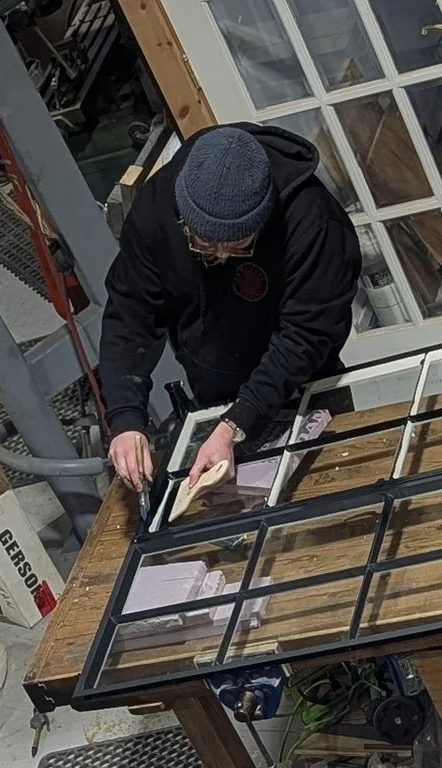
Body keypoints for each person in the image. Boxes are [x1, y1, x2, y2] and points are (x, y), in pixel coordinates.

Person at [99, 123, 361, 499]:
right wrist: (125, 417)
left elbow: (306, 335)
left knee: (334, 493)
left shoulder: (313, 220)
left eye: (238, 245)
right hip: (213, 392)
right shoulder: (157, 208)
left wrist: (236, 423)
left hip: (304, 387)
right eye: (203, 242)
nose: (220, 256)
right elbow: (130, 311)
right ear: (182, 214)